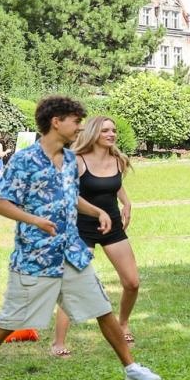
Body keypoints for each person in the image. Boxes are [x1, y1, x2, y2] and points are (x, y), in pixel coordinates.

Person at [0, 96, 160, 380]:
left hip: (72, 252)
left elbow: (71, 198)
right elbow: (2, 201)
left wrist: (97, 210)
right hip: (36, 257)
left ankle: (131, 369)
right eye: (75, 121)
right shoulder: (24, 160)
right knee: (12, 320)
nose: (79, 127)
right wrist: (34, 220)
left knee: (102, 307)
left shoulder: (71, 159)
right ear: (56, 122)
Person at [49, 115, 140, 358]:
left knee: (132, 282)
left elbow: (115, 184)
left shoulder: (118, 160)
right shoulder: (77, 161)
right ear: (93, 134)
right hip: (81, 228)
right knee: (75, 285)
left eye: (113, 130)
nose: (112, 134)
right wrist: (96, 212)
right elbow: (68, 195)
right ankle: (58, 342)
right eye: (105, 131)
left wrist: (127, 203)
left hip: (113, 226)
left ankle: (122, 324)